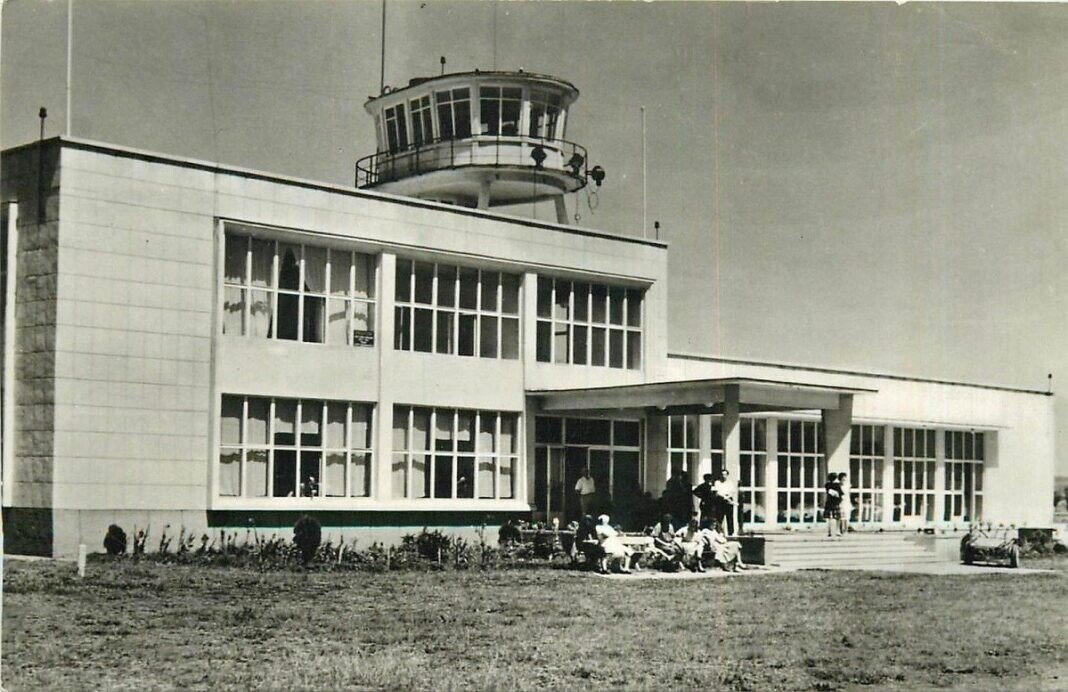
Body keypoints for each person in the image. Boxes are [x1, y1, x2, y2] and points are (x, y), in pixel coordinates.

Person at [712, 469, 739, 536]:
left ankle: (731, 532)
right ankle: (718, 532)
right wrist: (724, 497)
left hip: (728, 500)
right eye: (722, 474)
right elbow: (717, 492)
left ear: (727, 475)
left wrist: (728, 497)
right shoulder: (717, 482)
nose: (724, 476)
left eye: (725, 474)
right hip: (720, 500)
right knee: (719, 517)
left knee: (730, 517)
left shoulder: (730, 483)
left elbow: (732, 491)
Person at [823, 473, 842, 538]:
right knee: (838, 518)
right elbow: (840, 493)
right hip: (835, 503)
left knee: (829, 518)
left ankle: (829, 531)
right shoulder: (837, 485)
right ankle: (838, 531)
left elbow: (828, 491)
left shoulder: (827, 485)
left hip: (829, 503)